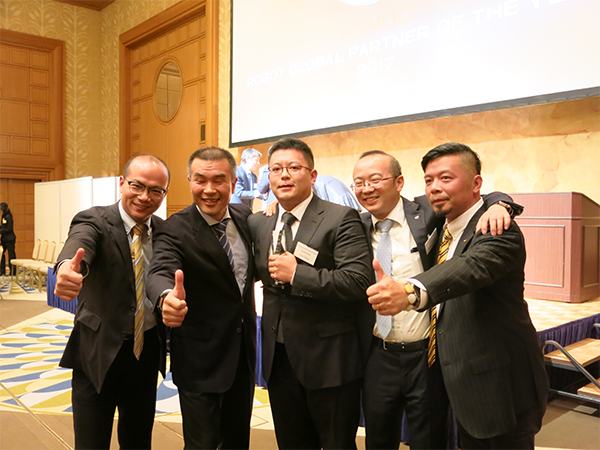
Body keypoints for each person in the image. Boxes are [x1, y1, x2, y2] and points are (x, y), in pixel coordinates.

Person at [367, 142, 549, 449]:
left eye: (446, 178)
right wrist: (500, 200)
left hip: (500, 387)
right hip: (461, 383)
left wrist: (410, 291)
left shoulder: (497, 227)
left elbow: (470, 267)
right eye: (428, 180)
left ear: (476, 183)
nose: (434, 188)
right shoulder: (443, 225)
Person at [248, 137, 374, 450]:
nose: (284, 175)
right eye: (276, 169)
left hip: (329, 361)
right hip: (279, 359)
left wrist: (297, 275)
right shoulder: (259, 223)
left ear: (313, 175)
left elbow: (357, 281)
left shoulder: (340, 218)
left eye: (293, 168)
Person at [54, 154, 170, 449]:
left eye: (155, 190)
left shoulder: (165, 231)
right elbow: (80, 243)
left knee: (138, 440)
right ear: (122, 183)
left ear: (164, 193)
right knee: (91, 442)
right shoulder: (94, 219)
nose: (144, 197)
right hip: (98, 351)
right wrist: (68, 267)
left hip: (144, 351)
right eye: (137, 186)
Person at [146, 147, 256, 449]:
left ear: (233, 182)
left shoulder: (246, 219)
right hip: (200, 360)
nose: (209, 189)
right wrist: (166, 297)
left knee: (237, 441)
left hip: (242, 357)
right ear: (189, 181)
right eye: (200, 180)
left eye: (218, 180)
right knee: (201, 444)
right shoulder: (175, 229)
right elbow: (160, 270)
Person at [0, 202, 17, 276]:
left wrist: (0, 231)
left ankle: (13, 271)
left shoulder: (9, 217)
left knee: (11, 255)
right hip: (4, 239)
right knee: (1, 254)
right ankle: (2, 270)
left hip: (10, 239)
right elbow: (3, 227)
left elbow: (9, 229)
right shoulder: (3, 217)